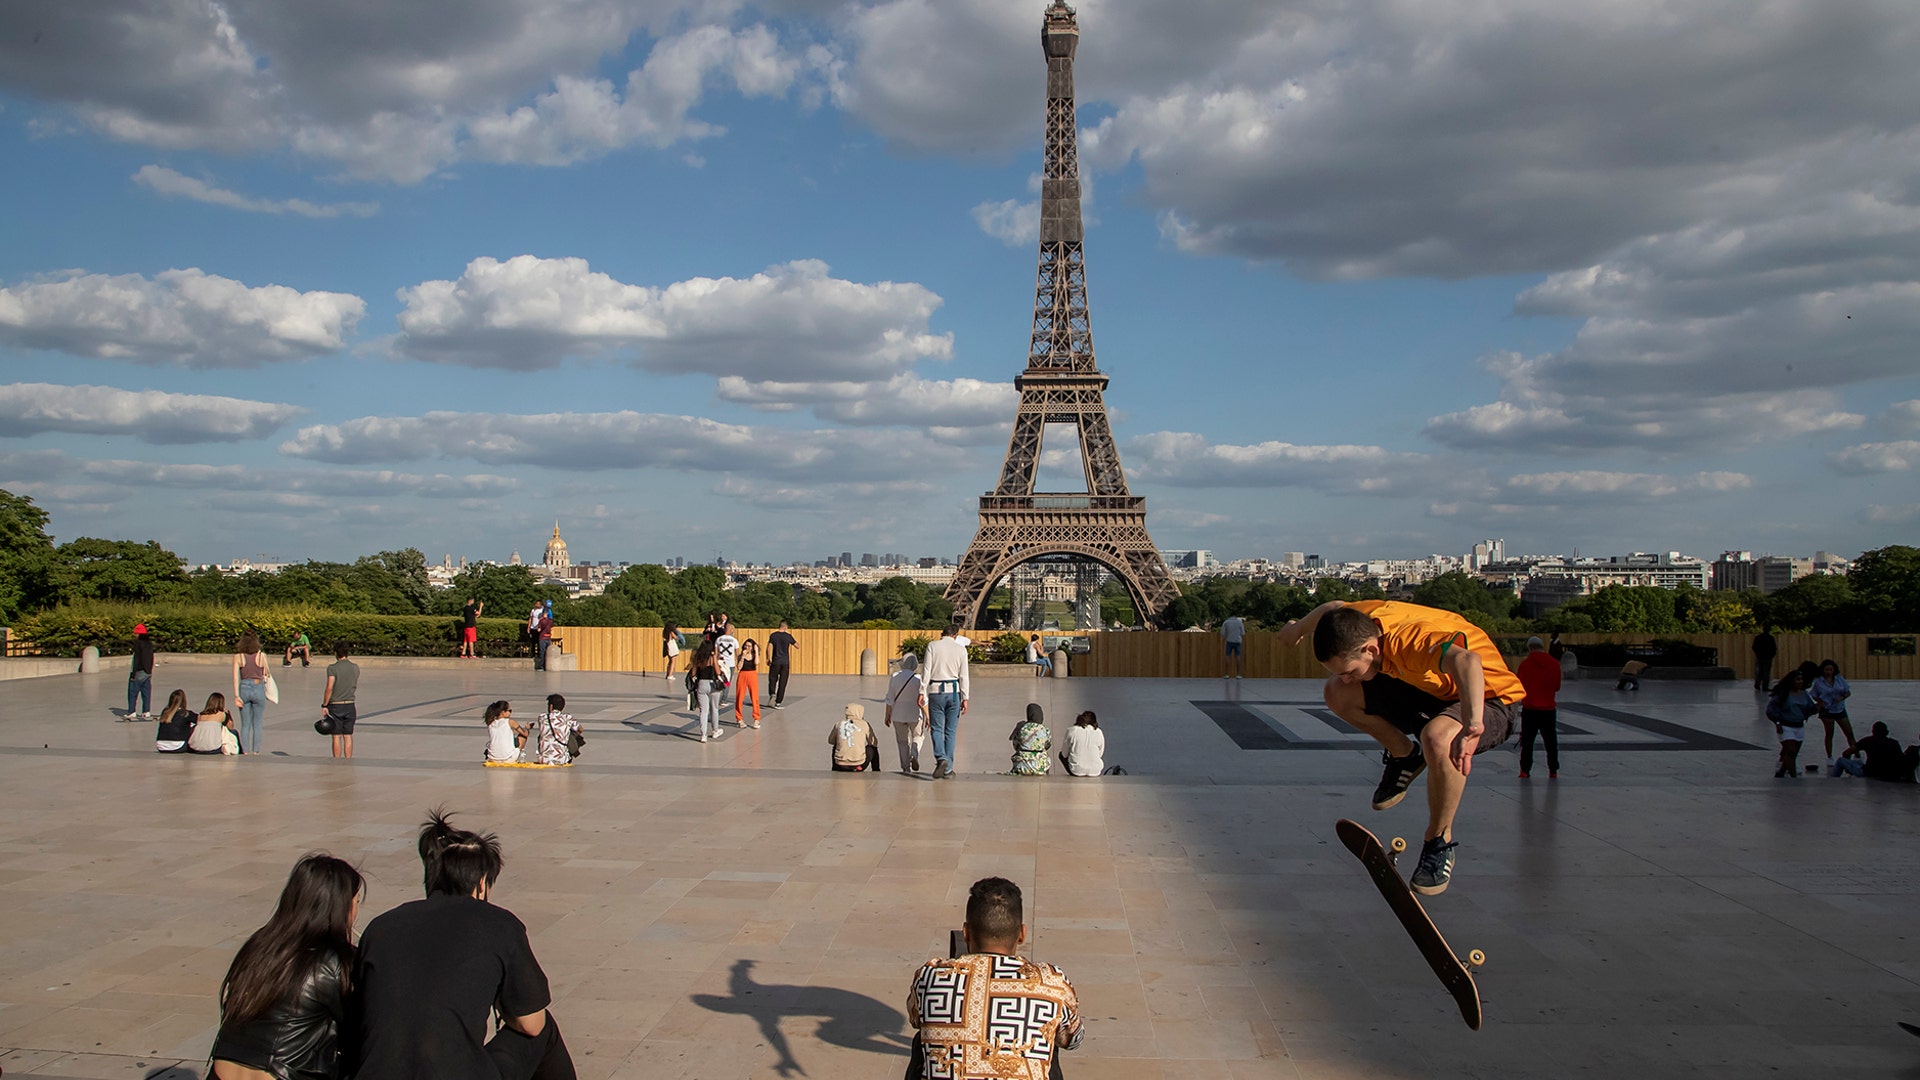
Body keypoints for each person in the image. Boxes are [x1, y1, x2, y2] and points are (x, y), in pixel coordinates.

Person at [1277, 600, 1522, 896]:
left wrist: (1472, 725)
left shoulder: (1410, 641)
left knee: (1438, 739)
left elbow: (1467, 662)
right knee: (1337, 693)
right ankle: (1405, 755)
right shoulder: (1361, 620)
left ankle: (1439, 842)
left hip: (1488, 698)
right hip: (1433, 688)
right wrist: (1296, 631)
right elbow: (1333, 607)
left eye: (1350, 670)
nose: (1347, 677)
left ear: (1371, 650)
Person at [349, 810, 576, 1080]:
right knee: (544, 1028)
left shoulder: (381, 926)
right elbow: (531, 1023)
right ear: (481, 883)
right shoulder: (498, 923)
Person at [906, 877, 1081, 1080]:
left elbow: (915, 1019)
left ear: (966, 933)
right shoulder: (1052, 982)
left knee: (923, 1040)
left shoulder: (930, 977)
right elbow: (1073, 1039)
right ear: (1022, 934)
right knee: (1050, 1039)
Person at [208, 853, 363, 1080]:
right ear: (341, 905)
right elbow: (362, 1032)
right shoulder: (335, 961)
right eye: (356, 901)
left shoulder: (260, 946)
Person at [919, 624, 971, 779]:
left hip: (936, 691)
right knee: (951, 732)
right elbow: (964, 676)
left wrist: (922, 691)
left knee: (936, 728)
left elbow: (926, 670)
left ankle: (941, 757)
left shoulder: (932, 646)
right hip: (954, 692)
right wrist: (965, 697)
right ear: (955, 635)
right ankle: (948, 769)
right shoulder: (961, 649)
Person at [1516, 635, 1562, 780]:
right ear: (1543, 647)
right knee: (1551, 742)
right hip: (1548, 709)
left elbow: (1520, 686)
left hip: (1530, 709)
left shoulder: (1525, 665)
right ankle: (1553, 770)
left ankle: (1525, 770)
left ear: (1529, 648)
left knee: (1527, 742)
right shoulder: (1554, 664)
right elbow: (1557, 687)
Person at [1768, 669, 1817, 778]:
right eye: (1797, 679)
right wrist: (1777, 722)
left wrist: (1819, 707)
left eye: (1801, 680)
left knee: (1793, 754)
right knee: (1790, 751)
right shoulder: (1783, 694)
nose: (1800, 682)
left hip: (1799, 726)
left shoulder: (1804, 694)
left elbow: (1810, 709)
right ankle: (1793, 776)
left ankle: (1780, 772)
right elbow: (1771, 710)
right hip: (1786, 726)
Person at [1833, 722, 1919, 782]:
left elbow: (1846, 752)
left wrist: (1848, 762)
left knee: (1841, 760)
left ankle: (1833, 779)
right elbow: (1899, 758)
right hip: (1888, 772)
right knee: (1858, 761)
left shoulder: (1868, 740)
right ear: (1887, 732)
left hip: (1870, 772)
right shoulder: (1894, 743)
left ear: (1873, 731)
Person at [1809, 659, 1858, 762]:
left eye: (1830, 670)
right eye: (1826, 670)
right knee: (1829, 733)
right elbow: (1814, 695)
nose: (1828, 672)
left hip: (1839, 708)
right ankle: (1829, 756)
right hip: (1827, 710)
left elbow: (1848, 692)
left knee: (1849, 732)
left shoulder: (1839, 679)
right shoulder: (1818, 682)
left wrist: (1842, 697)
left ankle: (1856, 753)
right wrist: (1821, 702)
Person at [884, 653, 925, 774]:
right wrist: (928, 716)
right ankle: (914, 752)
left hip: (898, 714)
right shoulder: (919, 678)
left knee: (902, 741)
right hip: (915, 713)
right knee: (918, 736)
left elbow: (890, 698)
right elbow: (924, 700)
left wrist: (887, 715)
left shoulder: (895, 676)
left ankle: (906, 767)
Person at [232, 630, 271, 754]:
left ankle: (245, 751)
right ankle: (256, 751)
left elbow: (235, 677)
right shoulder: (261, 655)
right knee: (257, 723)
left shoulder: (238, 657)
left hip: (244, 687)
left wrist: (236, 695)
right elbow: (266, 673)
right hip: (258, 687)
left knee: (245, 724)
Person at [322, 642, 359, 760]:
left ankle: (337, 761)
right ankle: (348, 759)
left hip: (336, 705)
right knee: (348, 735)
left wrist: (324, 704)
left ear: (335, 653)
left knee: (336, 736)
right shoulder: (355, 668)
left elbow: (329, 687)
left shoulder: (332, 668)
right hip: (350, 704)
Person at [830, 702, 880, 772]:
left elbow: (830, 741)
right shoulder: (864, 724)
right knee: (872, 748)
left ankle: (835, 769)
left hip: (840, 765)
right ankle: (876, 770)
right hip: (859, 764)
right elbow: (873, 742)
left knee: (835, 747)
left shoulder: (839, 723)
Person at [533, 693, 579, 766]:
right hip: (562, 760)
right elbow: (579, 729)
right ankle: (570, 753)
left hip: (543, 760)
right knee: (569, 733)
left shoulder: (542, 717)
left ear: (551, 706)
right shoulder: (568, 718)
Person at [123, 623, 157, 720]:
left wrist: (133, 674)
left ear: (138, 633)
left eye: (135, 633)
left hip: (138, 671)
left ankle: (131, 711)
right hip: (147, 672)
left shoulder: (138, 643)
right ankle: (146, 711)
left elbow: (137, 660)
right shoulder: (149, 644)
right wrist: (149, 671)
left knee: (132, 692)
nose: (135, 635)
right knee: (146, 692)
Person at [690, 641, 722, 742]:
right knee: (714, 708)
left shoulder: (698, 659)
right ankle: (715, 730)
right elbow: (718, 672)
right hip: (713, 684)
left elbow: (693, 673)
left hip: (701, 684)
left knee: (703, 710)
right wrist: (715, 660)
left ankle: (703, 734)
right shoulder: (712, 658)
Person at [1009, 703, 1052, 775]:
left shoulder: (1021, 727)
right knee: (1045, 756)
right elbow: (1048, 745)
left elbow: (1015, 745)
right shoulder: (1045, 729)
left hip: (1021, 765)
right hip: (1040, 766)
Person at [1061, 711, 1105, 777]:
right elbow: (1100, 754)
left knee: (1061, 755)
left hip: (1076, 770)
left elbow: (1064, 754)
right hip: (1095, 770)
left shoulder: (1072, 730)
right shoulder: (1099, 732)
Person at [767, 621, 798, 709]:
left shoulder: (773, 636)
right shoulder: (788, 636)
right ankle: (778, 702)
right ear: (785, 627)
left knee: (773, 679)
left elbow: (769, 647)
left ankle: (772, 693)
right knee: (783, 682)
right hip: (785, 662)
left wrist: (768, 658)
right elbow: (797, 646)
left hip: (775, 661)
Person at [733, 638, 762, 728]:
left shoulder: (754, 655)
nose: (747, 647)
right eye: (746, 645)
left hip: (752, 675)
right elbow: (739, 667)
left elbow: (756, 663)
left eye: (749, 646)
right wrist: (742, 657)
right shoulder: (740, 655)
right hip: (742, 675)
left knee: (754, 697)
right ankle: (739, 719)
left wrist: (756, 651)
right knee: (739, 697)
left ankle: (756, 719)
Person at [155, 689, 194, 754]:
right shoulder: (186, 714)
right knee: (195, 726)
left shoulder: (165, 712)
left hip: (161, 746)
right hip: (177, 746)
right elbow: (200, 720)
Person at [715, 622, 740, 709]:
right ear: (731, 630)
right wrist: (739, 663)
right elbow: (737, 653)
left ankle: (716, 698)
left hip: (720, 663)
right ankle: (723, 700)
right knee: (727, 682)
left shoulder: (719, 639)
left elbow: (716, 652)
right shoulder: (734, 640)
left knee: (719, 680)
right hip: (730, 664)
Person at [1220, 613, 1247, 678]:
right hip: (1237, 641)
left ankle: (1227, 674)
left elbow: (1222, 633)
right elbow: (1243, 633)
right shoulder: (1239, 623)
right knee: (1238, 656)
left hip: (1229, 640)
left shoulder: (1226, 622)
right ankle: (1238, 674)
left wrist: (1226, 636)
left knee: (1228, 656)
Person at [532, 601, 555, 672]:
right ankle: (547, 666)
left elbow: (539, 629)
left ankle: (541, 666)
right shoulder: (550, 621)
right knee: (547, 652)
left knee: (542, 652)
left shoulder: (541, 621)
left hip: (542, 637)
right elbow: (551, 626)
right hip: (548, 637)